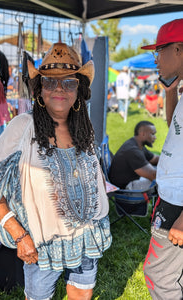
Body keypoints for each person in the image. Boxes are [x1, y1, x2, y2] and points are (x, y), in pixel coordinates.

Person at [0, 42, 112, 300]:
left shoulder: (84, 128)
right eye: (50, 82)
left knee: (82, 295)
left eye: (69, 82)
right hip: (42, 243)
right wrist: (19, 236)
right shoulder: (23, 127)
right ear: (39, 90)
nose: (59, 89)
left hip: (87, 236)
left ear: (79, 91)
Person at [141, 19, 183, 300]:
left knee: (159, 278)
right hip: (173, 197)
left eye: (160, 50)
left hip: (179, 204)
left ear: (179, 49)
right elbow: (175, 131)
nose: (156, 59)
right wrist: (171, 93)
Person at [109, 121, 159, 190]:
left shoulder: (137, 144)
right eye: (153, 134)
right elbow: (153, 175)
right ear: (143, 134)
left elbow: (155, 159)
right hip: (126, 188)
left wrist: (171, 161)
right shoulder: (133, 151)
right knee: (162, 182)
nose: (155, 137)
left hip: (133, 180)